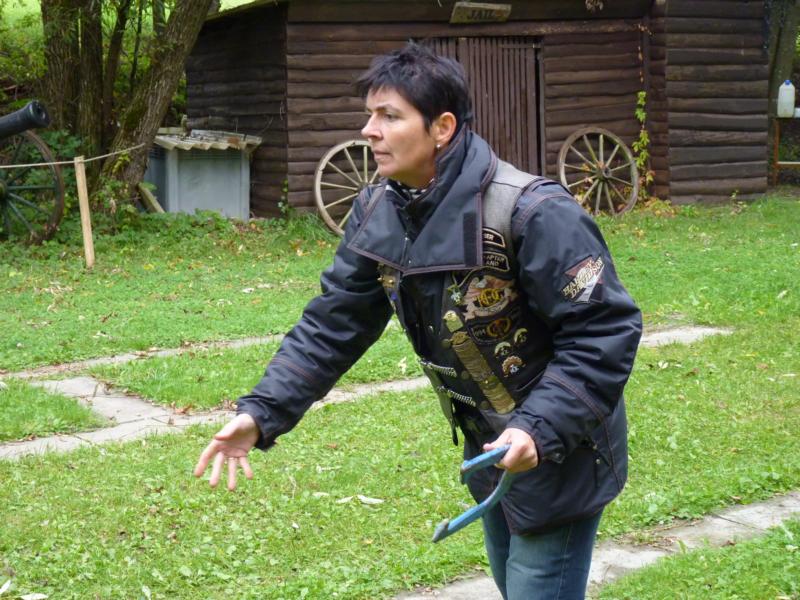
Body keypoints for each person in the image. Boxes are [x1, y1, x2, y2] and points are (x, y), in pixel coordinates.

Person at [194, 42, 642, 600]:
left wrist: (539, 427)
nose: (369, 131)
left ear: (442, 128)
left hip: (559, 449)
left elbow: (603, 331)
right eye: (370, 115)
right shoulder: (381, 208)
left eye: (389, 116)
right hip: (490, 447)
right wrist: (261, 413)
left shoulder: (533, 211)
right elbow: (333, 323)